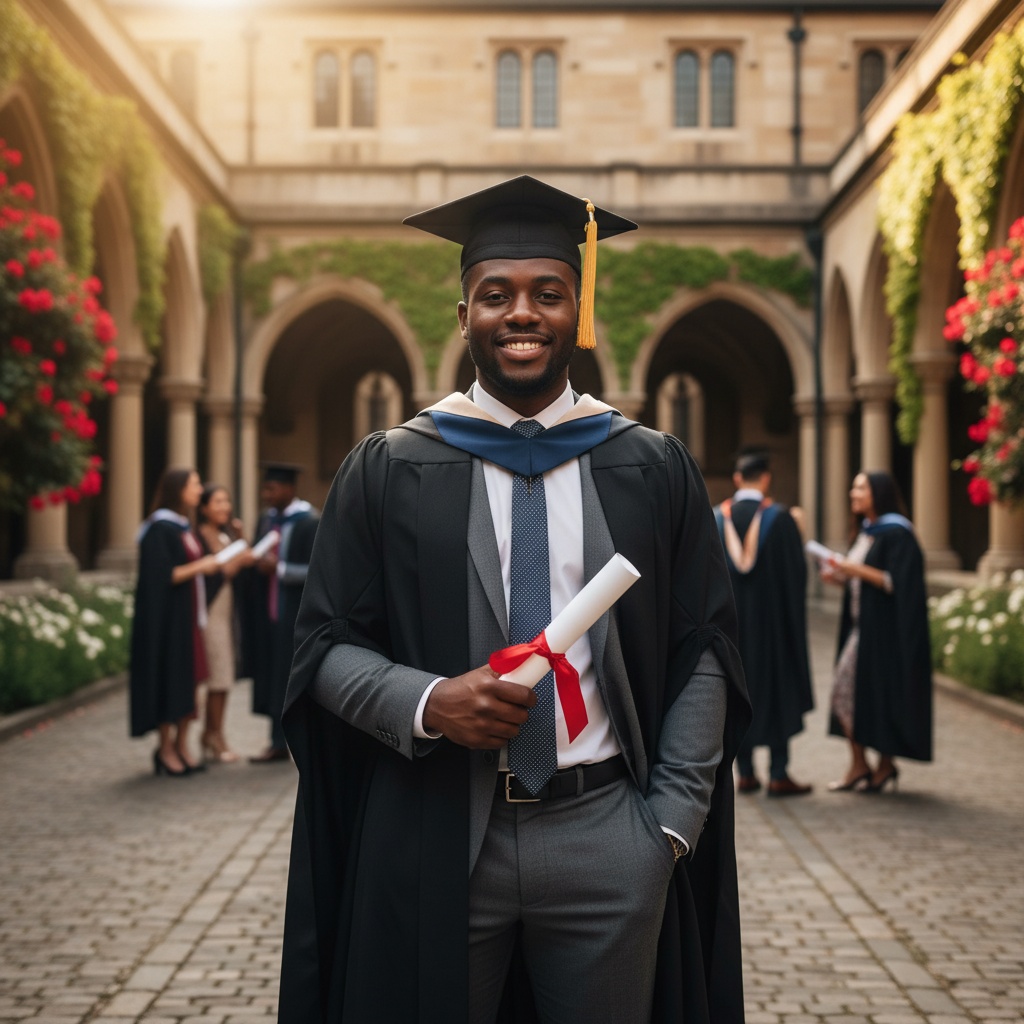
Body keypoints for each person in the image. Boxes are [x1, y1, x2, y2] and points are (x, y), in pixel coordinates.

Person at [277, 176, 751, 1023]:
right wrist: (428, 702)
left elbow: (705, 646)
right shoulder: (391, 465)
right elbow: (323, 645)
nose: (521, 313)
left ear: (578, 308)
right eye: (495, 295)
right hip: (435, 829)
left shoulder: (647, 464)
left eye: (548, 294)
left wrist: (669, 827)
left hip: (606, 828)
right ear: (464, 315)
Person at [820, 470, 932, 793]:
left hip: (885, 633)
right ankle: (861, 764)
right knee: (851, 693)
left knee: (869, 692)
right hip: (861, 628)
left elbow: (894, 582)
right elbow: (863, 581)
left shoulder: (898, 533)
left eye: (860, 487)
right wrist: (840, 577)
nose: (853, 493)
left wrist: (851, 568)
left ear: (878, 493)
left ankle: (880, 764)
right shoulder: (866, 532)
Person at [715, 451, 814, 797]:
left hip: (731, 633)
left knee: (739, 694)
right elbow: (797, 580)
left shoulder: (715, 520)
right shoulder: (781, 520)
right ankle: (778, 772)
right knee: (776, 692)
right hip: (773, 632)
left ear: (738, 478)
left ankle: (744, 773)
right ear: (766, 478)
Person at [130, 467, 220, 776]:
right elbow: (164, 574)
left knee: (191, 680)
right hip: (168, 623)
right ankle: (165, 748)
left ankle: (183, 746)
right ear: (177, 489)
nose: (199, 489)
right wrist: (201, 566)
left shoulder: (184, 526)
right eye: (194, 484)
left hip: (188, 619)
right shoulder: (160, 528)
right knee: (171, 679)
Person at [248, 463, 318, 763]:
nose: (266, 494)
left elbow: (316, 572)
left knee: (291, 677)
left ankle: (300, 741)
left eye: (271, 489)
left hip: (294, 614)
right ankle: (276, 741)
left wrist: (278, 569)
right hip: (268, 613)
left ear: (289, 489)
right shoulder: (266, 520)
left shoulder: (309, 522)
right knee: (272, 676)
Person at [195, 484, 255, 763]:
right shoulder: (200, 536)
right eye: (217, 502)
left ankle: (213, 732)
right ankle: (213, 736)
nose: (223, 507)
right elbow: (210, 576)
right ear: (204, 507)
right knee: (218, 675)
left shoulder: (226, 533)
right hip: (211, 611)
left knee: (225, 676)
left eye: (226, 501)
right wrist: (235, 564)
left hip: (229, 611)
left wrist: (242, 539)